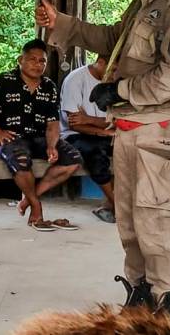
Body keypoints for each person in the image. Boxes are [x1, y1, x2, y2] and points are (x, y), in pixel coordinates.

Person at [36, 0, 170, 323]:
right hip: (131, 128)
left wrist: (121, 91)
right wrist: (60, 23)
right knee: (130, 223)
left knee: (157, 224)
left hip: (158, 128)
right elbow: (113, 38)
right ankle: (139, 301)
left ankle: (167, 312)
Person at [0, 39, 82, 231]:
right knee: (21, 160)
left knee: (73, 159)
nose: (38, 64)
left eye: (42, 61)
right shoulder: (2, 81)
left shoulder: (49, 87)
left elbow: (53, 123)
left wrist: (51, 145)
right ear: (20, 60)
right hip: (10, 138)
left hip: (40, 138)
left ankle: (28, 200)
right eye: (32, 59)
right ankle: (36, 207)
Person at [60, 56, 116, 223]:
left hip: (108, 133)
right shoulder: (75, 80)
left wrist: (89, 119)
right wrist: (104, 131)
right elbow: (75, 124)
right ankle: (117, 205)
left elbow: (118, 121)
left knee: (131, 150)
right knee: (94, 154)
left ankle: (110, 204)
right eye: (113, 69)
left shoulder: (118, 82)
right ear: (101, 61)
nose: (115, 75)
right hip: (75, 135)